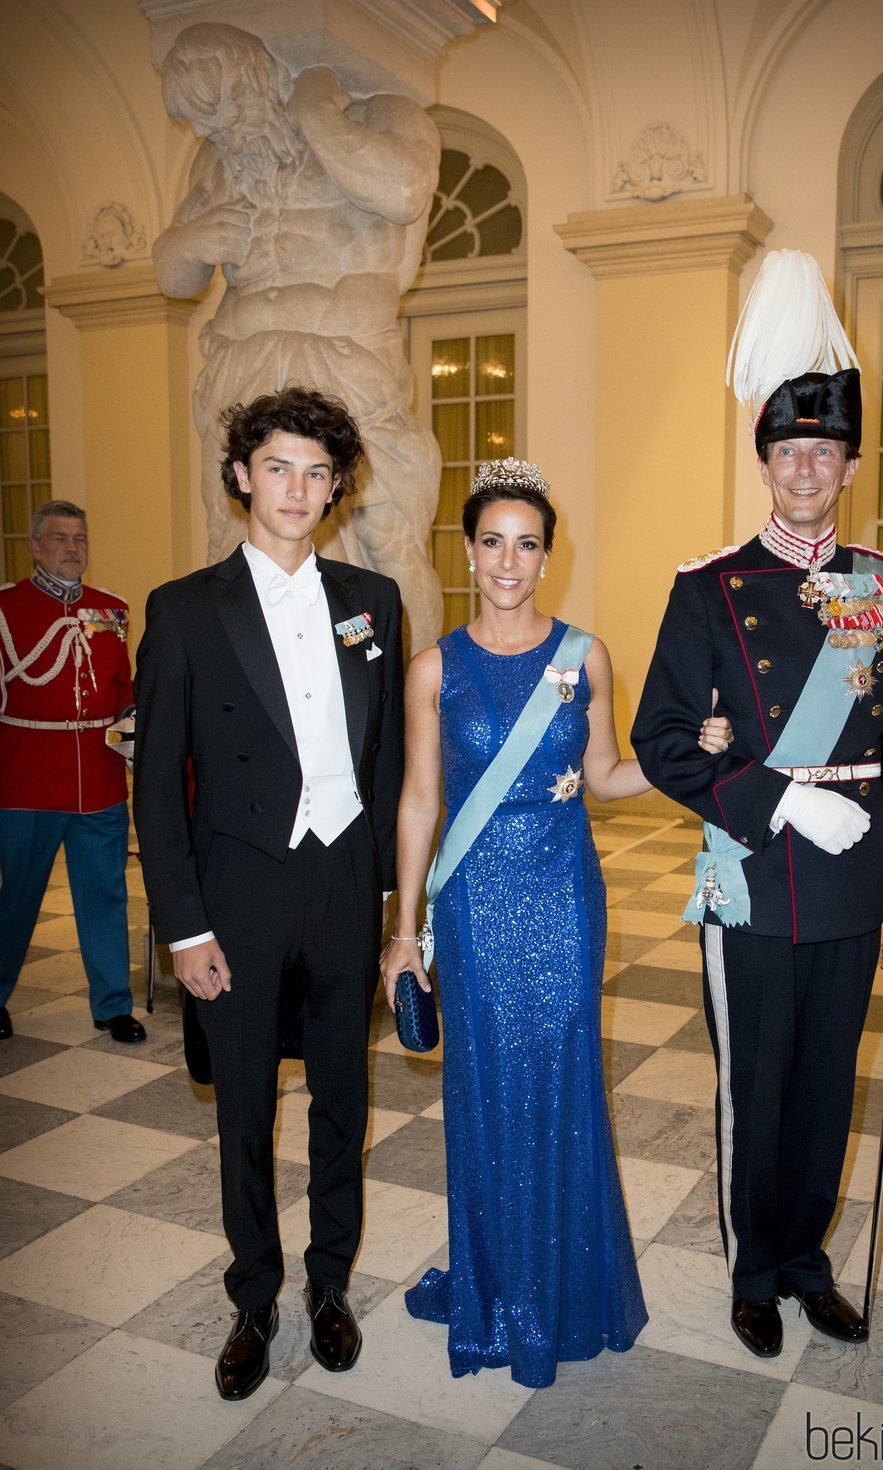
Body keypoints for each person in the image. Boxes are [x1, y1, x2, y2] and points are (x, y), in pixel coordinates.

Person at [631, 250, 883, 1359]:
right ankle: (750, 1272)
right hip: (756, 872)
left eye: (823, 449)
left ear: (847, 465)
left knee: (822, 1080)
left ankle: (805, 1262)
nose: (804, 466)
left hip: (855, 874)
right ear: (762, 460)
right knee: (750, 1083)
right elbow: (659, 741)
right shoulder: (707, 589)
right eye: (786, 448)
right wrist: (776, 802)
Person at [381, 458, 733, 1389]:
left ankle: (567, 1289)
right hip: (472, 905)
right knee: (488, 1086)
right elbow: (420, 800)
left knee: (566, 1081)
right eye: (492, 542)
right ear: (467, 550)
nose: (508, 561)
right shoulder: (434, 667)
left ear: (548, 556)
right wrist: (403, 930)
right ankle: (500, 1291)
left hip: (564, 896)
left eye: (526, 544)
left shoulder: (585, 656)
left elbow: (610, 776)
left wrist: (681, 759)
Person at [133, 386, 404, 1400]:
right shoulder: (185, 607)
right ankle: (254, 1295)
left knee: (343, 1099)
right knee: (243, 1109)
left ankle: (329, 1285)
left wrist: (387, 907)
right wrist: (183, 927)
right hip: (237, 894)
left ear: (338, 487)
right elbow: (155, 783)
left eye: (318, 472)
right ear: (243, 475)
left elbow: (382, 762)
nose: (298, 489)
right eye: (278, 468)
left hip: (341, 885)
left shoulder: (371, 603)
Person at [153, 22, 444, 652]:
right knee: (233, 538)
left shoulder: (378, 113)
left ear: (262, 76)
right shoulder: (220, 158)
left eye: (225, 108)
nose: (216, 133)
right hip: (243, 363)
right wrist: (192, 241)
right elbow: (173, 276)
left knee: (386, 535)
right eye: (203, 122)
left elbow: (400, 189)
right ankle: (256, 684)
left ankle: (409, 698)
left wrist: (315, 110)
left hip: (347, 359)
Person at [0, 500, 142, 1045]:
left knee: (105, 895)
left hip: (99, 781)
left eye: (80, 538)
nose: (72, 548)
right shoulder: (8, 610)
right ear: (35, 546)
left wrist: (134, 724)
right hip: (25, 783)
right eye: (59, 538)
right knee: (16, 897)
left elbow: (121, 691)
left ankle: (112, 1005)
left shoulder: (112, 609)